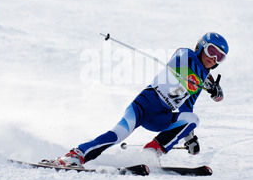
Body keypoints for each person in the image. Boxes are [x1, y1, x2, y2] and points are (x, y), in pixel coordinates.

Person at [53, 32, 229, 167]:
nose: (213, 58)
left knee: (193, 119)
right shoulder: (186, 55)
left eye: (219, 57)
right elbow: (184, 63)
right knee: (117, 134)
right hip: (144, 106)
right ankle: (76, 155)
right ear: (201, 46)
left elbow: (185, 111)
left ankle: (151, 152)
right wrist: (208, 83)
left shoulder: (199, 84)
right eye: (211, 51)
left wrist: (188, 136)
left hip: (162, 117)